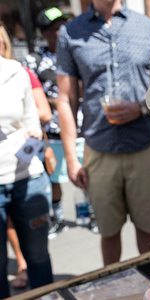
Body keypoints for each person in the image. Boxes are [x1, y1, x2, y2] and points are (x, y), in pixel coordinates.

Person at [56, 0, 150, 265]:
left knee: (147, 230)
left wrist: (142, 108)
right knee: (108, 233)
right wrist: (72, 158)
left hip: (143, 148)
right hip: (99, 151)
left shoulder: (148, 28)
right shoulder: (70, 33)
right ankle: (113, 287)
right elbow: (65, 99)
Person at [23, 7, 87, 239]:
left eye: (62, 27)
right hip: (52, 131)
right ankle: (58, 217)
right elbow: (30, 96)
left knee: (88, 173)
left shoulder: (76, 52)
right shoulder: (33, 60)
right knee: (54, 176)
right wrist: (58, 101)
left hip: (82, 128)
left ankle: (90, 214)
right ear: (44, 33)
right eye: (53, 29)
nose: (60, 33)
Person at [1, 22, 52, 292]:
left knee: (38, 258)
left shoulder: (16, 73)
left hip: (28, 178)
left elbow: (35, 120)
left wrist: (34, 136)